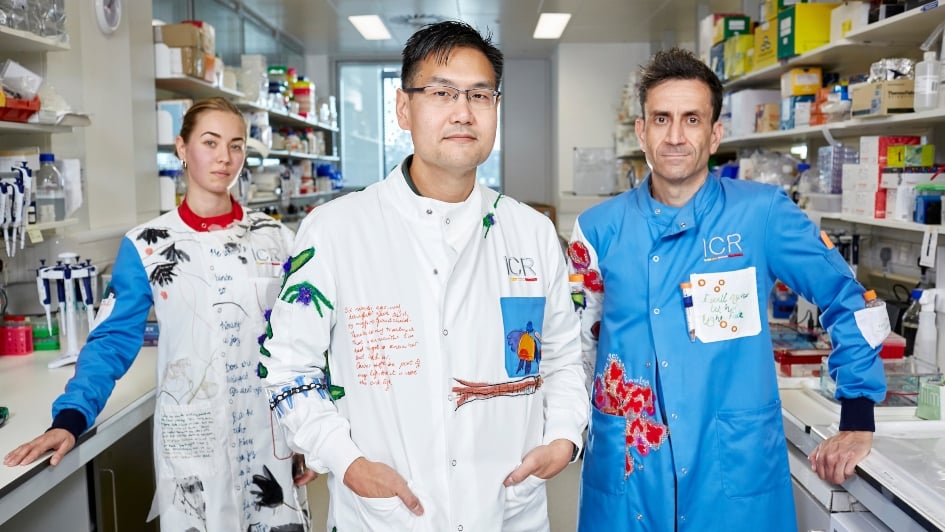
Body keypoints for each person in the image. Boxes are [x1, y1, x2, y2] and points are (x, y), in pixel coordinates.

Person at [257, 20, 588, 531]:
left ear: (496, 108)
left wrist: (564, 438)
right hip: (386, 516)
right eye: (441, 92)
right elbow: (287, 369)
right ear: (404, 108)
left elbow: (564, 358)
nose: (462, 111)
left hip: (507, 511)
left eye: (480, 94)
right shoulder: (336, 230)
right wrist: (347, 462)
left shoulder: (531, 232)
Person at [568, 48, 887, 531]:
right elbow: (572, 351)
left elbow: (849, 300)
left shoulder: (761, 215)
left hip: (731, 467)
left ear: (715, 133)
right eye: (661, 119)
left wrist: (858, 416)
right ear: (642, 131)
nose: (675, 136)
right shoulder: (596, 231)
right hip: (632, 465)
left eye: (692, 119)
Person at [4, 97, 316, 531]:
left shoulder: (277, 239)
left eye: (237, 145)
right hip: (193, 442)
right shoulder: (148, 245)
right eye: (210, 142)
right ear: (182, 148)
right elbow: (112, 340)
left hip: (270, 438)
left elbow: (306, 342)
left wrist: (313, 433)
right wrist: (71, 419)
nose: (225, 157)